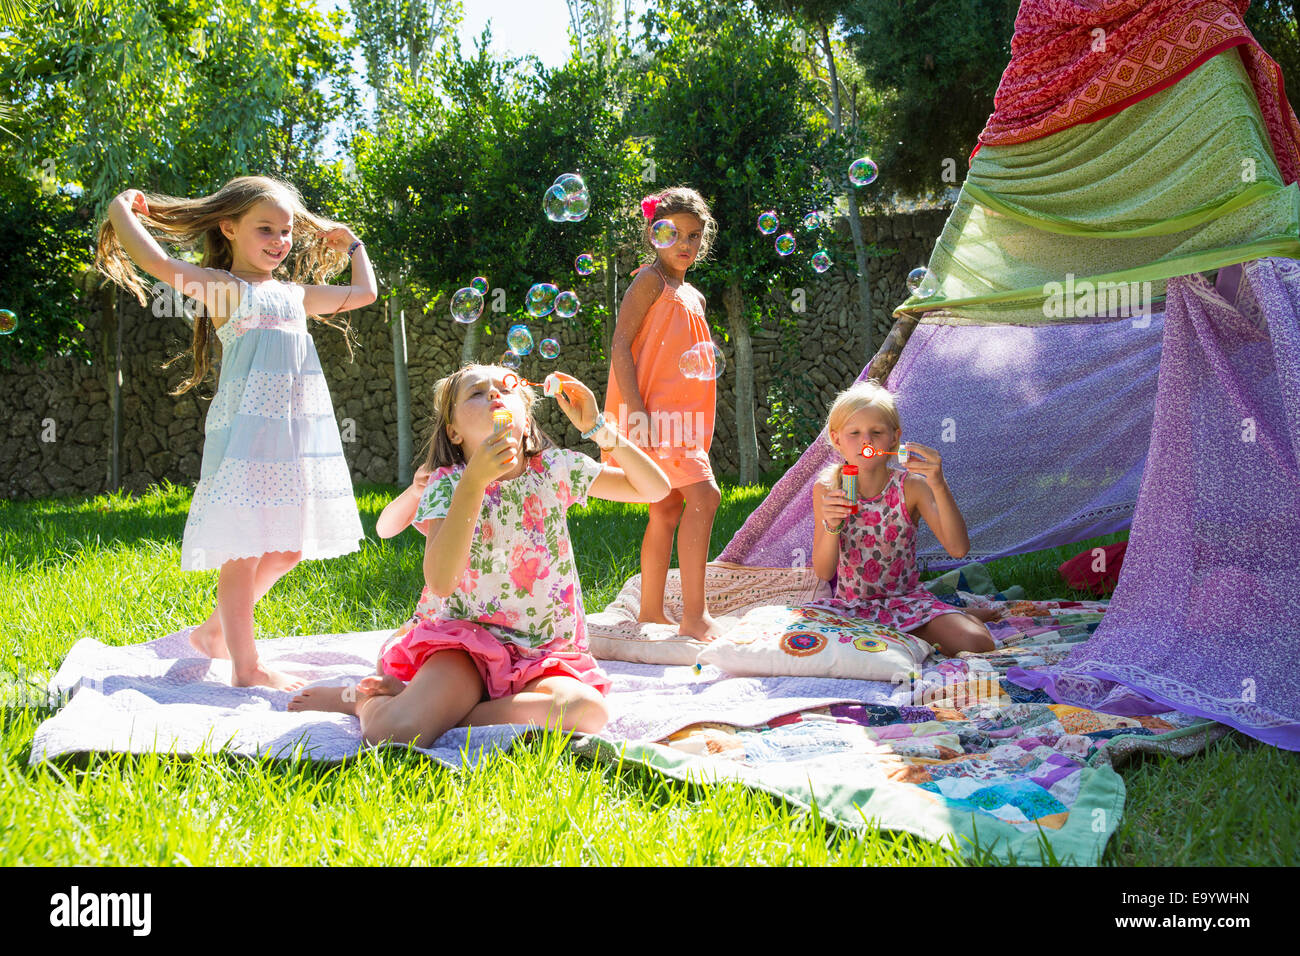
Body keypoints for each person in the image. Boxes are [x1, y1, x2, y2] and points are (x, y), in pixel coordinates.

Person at [289, 365, 670, 745]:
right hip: (465, 644)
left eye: (505, 389)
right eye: (475, 392)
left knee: (587, 711)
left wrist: (598, 427)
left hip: (541, 652)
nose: (492, 395)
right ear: (453, 430)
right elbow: (441, 581)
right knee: (392, 732)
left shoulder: (555, 469)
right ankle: (364, 703)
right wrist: (474, 482)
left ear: (525, 420)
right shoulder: (448, 484)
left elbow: (654, 489)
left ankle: (432, 707)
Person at [96, 175, 376, 689]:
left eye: (287, 231)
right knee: (243, 548)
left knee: (288, 548)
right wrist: (120, 210)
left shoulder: (295, 295)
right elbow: (158, 263)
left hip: (291, 437)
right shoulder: (226, 288)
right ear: (228, 228)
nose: (279, 240)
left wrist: (352, 244)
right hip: (249, 434)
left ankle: (211, 635)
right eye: (265, 228)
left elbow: (364, 293)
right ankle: (245, 668)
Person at [604, 187, 722, 640]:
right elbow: (619, 343)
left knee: (668, 505)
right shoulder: (648, 281)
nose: (685, 245)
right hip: (656, 417)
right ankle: (695, 616)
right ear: (654, 236)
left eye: (694, 236)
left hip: (684, 417)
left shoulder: (692, 294)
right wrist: (635, 412)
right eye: (673, 234)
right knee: (706, 497)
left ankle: (651, 610)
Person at [811, 380, 998, 656]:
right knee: (815, 648)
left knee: (978, 643)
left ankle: (935, 621)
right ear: (837, 439)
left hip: (906, 602)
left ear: (894, 438)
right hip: (854, 610)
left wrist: (938, 484)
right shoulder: (828, 489)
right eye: (855, 432)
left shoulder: (911, 487)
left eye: (876, 431)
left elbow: (958, 548)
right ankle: (933, 625)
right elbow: (824, 572)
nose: (866, 440)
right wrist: (831, 526)